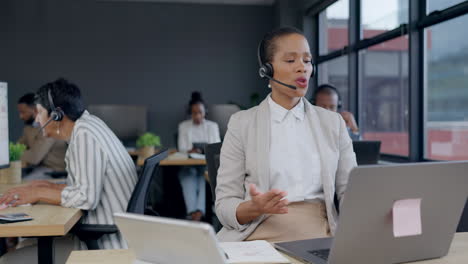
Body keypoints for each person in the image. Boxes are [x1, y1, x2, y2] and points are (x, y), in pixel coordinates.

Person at [215, 27, 357, 242]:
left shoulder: (332, 123)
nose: (302, 68)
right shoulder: (242, 124)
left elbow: (351, 191)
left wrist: (370, 213)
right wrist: (252, 208)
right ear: (267, 70)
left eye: (307, 61)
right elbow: (224, 204)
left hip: (320, 232)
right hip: (259, 233)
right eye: (291, 61)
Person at [0, 78, 138, 263]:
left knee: (9, 260)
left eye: (40, 113)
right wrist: (50, 187)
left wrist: (38, 193)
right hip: (109, 234)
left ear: (56, 115)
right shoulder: (89, 125)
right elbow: (87, 185)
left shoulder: (85, 136)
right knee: (24, 245)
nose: (38, 120)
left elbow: (86, 198)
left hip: (104, 244)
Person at [178, 92, 220, 221]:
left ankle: (197, 213)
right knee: (188, 176)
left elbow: (217, 146)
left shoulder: (212, 127)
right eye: (194, 113)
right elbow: (182, 148)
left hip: (206, 164)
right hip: (189, 163)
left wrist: (204, 150)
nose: (197, 116)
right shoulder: (183, 126)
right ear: (190, 113)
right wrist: (191, 150)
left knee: (203, 177)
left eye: (200, 112)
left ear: (205, 112)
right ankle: (194, 211)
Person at [17, 93, 67, 178]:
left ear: (35, 110)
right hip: (38, 168)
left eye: (23, 112)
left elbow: (34, 157)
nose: (20, 116)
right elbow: (17, 147)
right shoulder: (29, 127)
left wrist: (15, 154)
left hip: (54, 172)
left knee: (21, 183)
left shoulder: (50, 126)